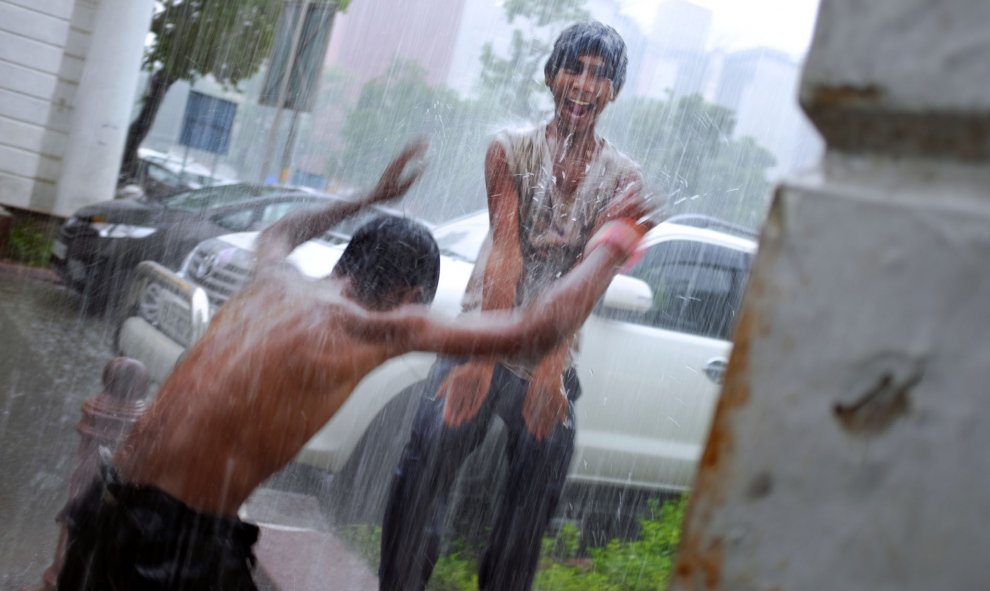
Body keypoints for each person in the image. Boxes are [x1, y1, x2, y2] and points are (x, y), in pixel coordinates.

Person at [54, 140, 648, 590]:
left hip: (108, 504)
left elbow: (282, 228)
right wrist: (617, 240)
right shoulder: (369, 328)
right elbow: (535, 327)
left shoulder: (274, 281)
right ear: (411, 294)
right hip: (173, 545)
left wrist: (367, 198)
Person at [379, 21, 658, 591]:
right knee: (425, 460)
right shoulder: (509, 150)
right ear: (551, 75)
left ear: (614, 92)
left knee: (536, 491)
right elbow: (506, 251)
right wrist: (481, 362)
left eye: (599, 76)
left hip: (552, 354)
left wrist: (550, 369)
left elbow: (588, 280)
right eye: (572, 69)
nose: (583, 85)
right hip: (484, 332)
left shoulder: (623, 180)